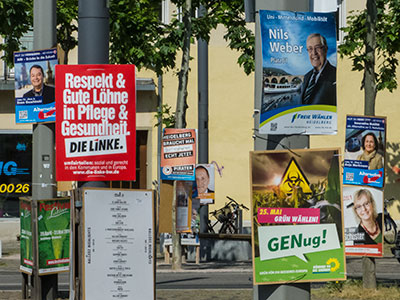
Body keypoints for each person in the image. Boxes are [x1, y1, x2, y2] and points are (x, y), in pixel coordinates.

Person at [301, 33, 336, 106]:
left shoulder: (335, 75)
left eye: (317, 48)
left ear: (325, 49)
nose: (314, 53)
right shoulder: (307, 77)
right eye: (310, 49)